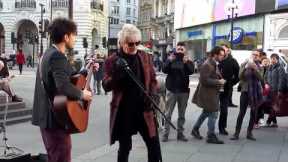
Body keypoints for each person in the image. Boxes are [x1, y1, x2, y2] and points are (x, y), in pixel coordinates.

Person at [32, 18, 93, 162]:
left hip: (48, 119)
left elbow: (67, 76)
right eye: (74, 34)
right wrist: (82, 94)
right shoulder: (57, 56)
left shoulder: (48, 54)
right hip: (55, 121)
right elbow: (63, 86)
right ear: (66, 37)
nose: (75, 38)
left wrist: (86, 68)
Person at [102, 24, 162, 162]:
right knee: (125, 147)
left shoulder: (145, 56)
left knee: (154, 145)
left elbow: (153, 79)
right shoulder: (112, 60)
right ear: (122, 43)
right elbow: (105, 85)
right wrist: (117, 73)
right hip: (124, 111)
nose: (134, 46)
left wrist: (152, 95)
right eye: (130, 43)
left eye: (137, 43)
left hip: (145, 109)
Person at [191, 46, 226, 144]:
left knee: (206, 113)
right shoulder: (207, 64)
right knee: (214, 113)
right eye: (221, 55)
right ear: (215, 55)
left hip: (211, 93)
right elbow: (204, 80)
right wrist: (218, 81)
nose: (222, 57)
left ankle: (195, 129)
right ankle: (210, 135)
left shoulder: (213, 63)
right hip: (208, 94)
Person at [162, 42, 194, 142]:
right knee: (168, 113)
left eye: (182, 49)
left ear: (185, 50)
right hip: (171, 90)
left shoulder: (187, 60)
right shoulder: (171, 58)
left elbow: (191, 71)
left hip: (183, 91)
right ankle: (165, 134)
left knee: (182, 114)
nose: (179, 50)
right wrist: (169, 61)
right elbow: (164, 70)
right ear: (175, 49)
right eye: (178, 48)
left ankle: (180, 133)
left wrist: (187, 63)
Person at [230, 50, 263, 141]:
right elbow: (240, 77)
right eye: (254, 54)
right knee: (242, 112)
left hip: (255, 92)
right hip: (245, 91)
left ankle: (249, 133)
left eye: (257, 55)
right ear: (251, 55)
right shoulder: (243, 64)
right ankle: (236, 133)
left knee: (253, 113)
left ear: (259, 57)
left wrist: (255, 69)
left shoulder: (260, 66)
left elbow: (260, 78)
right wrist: (246, 67)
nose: (255, 56)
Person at [218, 44, 240, 135]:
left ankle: (222, 127)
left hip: (226, 89)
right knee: (209, 109)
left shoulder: (232, 61)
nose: (222, 51)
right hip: (214, 88)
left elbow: (238, 74)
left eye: (224, 49)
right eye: (221, 49)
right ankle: (199, 127)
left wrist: (231, 83)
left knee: (224, 109)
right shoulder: (217, 60)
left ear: (228, 51)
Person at [264, 54, 285, 127]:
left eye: (274, 59)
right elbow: (265, 77)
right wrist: (266, 84)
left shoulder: (280, 68)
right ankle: (274, 122)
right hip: (269, 90)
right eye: (271, 58)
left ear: (277, 59)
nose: (272, 60)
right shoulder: (269, 67)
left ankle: (268, 121)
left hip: (275, 90)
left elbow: (281, 80)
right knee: (271, 106)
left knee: (273, 106)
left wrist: (279, 90)